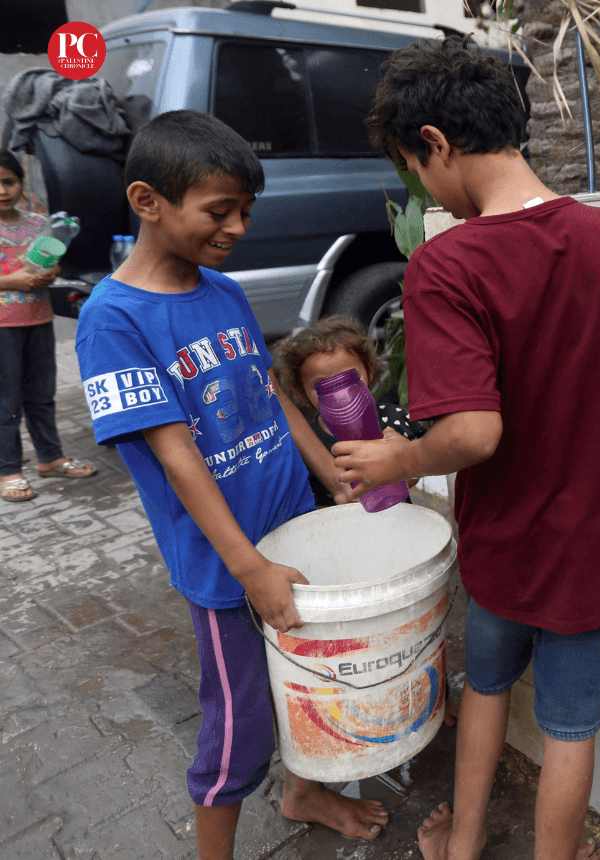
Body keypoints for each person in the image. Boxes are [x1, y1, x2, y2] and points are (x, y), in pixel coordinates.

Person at [341, 38, 600, 860]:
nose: (424, 187)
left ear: (435, 142)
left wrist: (399, 458)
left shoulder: (448, 264)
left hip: (507, 544)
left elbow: (473, 433)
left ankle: (460, 844)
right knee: (569, 731)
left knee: (486, 686)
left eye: (415, 167)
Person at [74, 110, 386, 860]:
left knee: (305, 683)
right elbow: (176, 454)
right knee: (239, 728)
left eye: (247, 210)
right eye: (221, 211)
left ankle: (305, 791)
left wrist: (332, 478)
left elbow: (272, 395)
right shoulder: (111, 320)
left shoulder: (223, 290)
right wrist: (249, 570)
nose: (239, 226)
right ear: (148, 200)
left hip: (293, 531)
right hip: (230, 570)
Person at [0, 149, 96, 502]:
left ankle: (51, 458)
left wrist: (50, 272)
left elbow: (52, 263)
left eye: (8, 181)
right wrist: (14, 282)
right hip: (2, 328)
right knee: (5, 400)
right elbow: (18, 277)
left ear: (21, 184)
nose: (2, 190)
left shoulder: (38, 223)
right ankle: (8, 470)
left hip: (38, 320)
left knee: (41, 395)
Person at [272, 316, 426, 509]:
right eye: (323, 387)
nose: (342, 397)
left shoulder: (392, 420)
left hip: (398, 523)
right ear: (301, 392)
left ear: (369, 371)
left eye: (351, 379)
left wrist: (395, 468)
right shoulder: (309, 444)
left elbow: (421, 468)